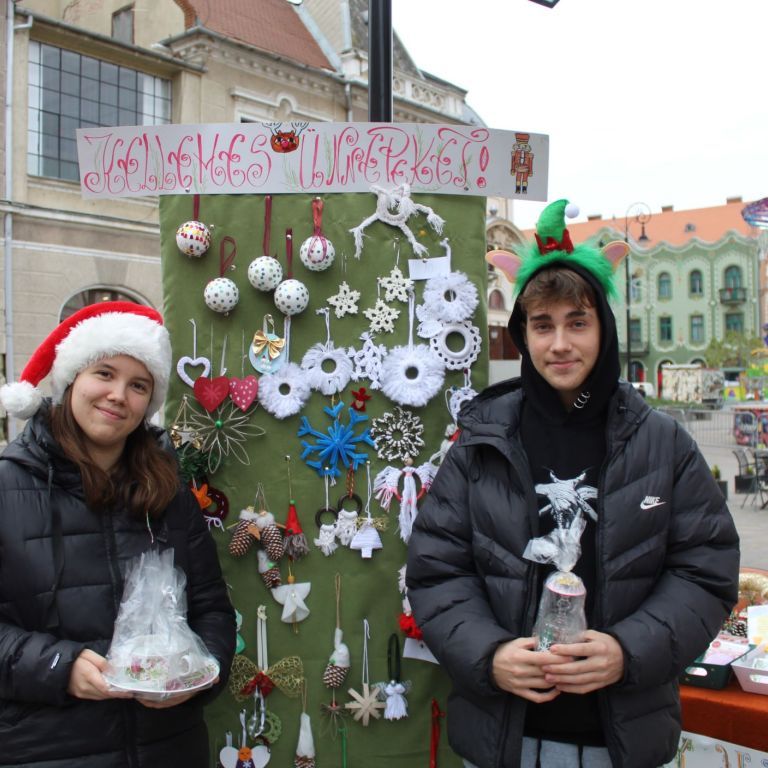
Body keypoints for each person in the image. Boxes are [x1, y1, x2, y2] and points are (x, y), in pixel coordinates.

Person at [406, 200, 739, 768]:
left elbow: (704, 572)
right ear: (525, 335)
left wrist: (628, 651)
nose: (559, 344)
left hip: (619, 740)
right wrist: (488, 655)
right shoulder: (482, 441)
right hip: (500, 740)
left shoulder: (662, 443)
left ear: (603, 329)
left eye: (577, 323)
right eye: (543, 325)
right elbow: (438, 570)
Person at [0, 302, 236, 768]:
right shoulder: (8, 488)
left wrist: (201, 672)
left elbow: (211, 607)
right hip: (44, 750)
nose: (118, 395)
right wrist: (56, 666)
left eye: (138, 385)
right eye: (104, 374)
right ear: (72, 379)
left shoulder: (169, 492)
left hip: (169, 747)